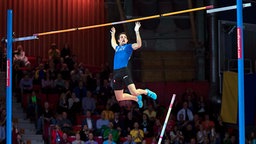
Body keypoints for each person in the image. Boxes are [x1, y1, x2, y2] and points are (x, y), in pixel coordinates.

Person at [110, 22, 157, 108]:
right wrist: (113, 34)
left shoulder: (128, 47)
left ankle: (146, 92)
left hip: (124, 71)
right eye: (121, 37)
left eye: (125, 37)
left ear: (127, 40)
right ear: (119, 40)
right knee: (119, 97)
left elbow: (139, 45)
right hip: (116, 73)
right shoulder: (117, 48)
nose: (123, 38)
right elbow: (113, 43)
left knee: (134, 92)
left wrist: (137, 31)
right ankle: (136, 99)